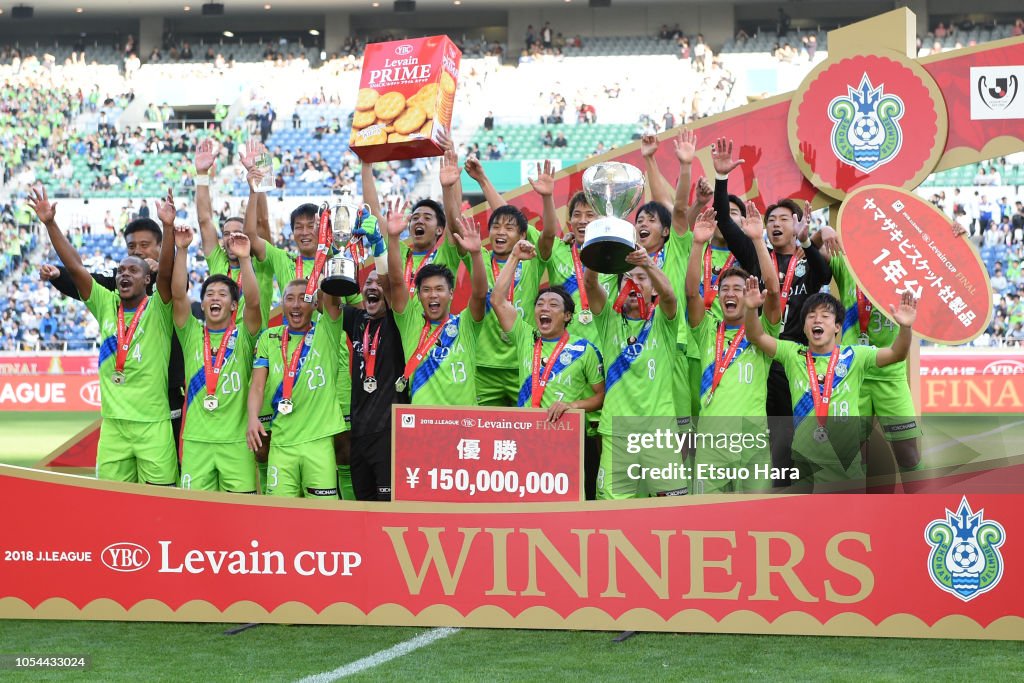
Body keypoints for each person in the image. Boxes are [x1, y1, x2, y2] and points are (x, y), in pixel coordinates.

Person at [31, 185, 176, 485]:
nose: (124, 274)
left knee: (163, 505)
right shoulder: (106, 303)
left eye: (133, 271)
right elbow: (75, 267)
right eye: (121, 269)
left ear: (148, 278)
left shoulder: (160, 309)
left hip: (153, 426)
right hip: (113, 428)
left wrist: (168, 226)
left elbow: (169, 274)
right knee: (112, 505)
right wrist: (50, 224)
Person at [711, 138, 832, 485]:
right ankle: (765, 488)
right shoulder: (754, 255)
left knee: (799, 426)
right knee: (763, 425)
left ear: (797, 225)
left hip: (797, 353)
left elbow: (824, 276)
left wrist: (811, 241)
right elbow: (724, 219)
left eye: (784, 219)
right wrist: (722, 180)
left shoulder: (808, 259)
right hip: (760, 350)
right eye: (771, 220)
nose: (776, 224)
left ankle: (795, 488)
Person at [744, 285, 919, 491]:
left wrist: (905, 328)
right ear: (804, 327)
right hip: (804, 462)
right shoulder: (792, 354)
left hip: (842, 464)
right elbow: (757, 336)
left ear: (837, 327)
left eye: (825, 316)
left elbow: (896, 354)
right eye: (811, 316)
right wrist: (750, 309)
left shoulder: (856, 356)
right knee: (807, 522)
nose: (817, 320)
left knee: (844, 522)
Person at [491, 240, 606, 498]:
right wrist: (514, 257)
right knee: (529, 505)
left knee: (574, 507)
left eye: (553, 305)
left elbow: (601, 396)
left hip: (570, 440)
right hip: (527, 437)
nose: (544, 308)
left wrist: (572, 406)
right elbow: (497, 300)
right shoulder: (525, 337)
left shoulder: (584, 349)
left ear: (567, 316)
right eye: (540, 304)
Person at [685, 207, 781, 493]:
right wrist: (698, 244)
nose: (729, 293)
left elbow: (774, 292)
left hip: (752, 442)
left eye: (738, 288)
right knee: (707, 520)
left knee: (755, 519)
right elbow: (691, 293)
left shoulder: (762, 331)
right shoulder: (706, 330)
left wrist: (757, 241)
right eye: (724, 288)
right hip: (711, 443)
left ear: (750, 294)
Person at [443, 151, 546, 406]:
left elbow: (511, 215)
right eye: (496, 227)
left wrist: (482, 180)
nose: (501, 232)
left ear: (523, 234)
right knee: (482, 433)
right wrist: (448, 189)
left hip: (523, 361)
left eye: (509, 229)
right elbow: (456, 225)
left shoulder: (531, 258)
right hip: (483, 365)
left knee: (527, 434)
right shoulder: (479, 257)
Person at [584, 244, 683, 499]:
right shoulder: (608, 320)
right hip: (617, 432)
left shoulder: (664, 320)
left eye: (641, 278)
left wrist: (648, 263)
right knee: (611, 511)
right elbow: (591, 286)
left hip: (659, 434)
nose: (634, 283)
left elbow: (670, 296)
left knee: (673, 510)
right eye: (627, 278)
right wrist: (598, 252)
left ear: (652, 289)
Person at [171, 222, 262, 493]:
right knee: (193, 517)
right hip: (197, 443)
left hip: (236, 444)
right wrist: (182, 250)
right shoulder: (191, 333)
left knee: (241, 517)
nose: (215, 297)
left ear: (233, 305)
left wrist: (245, 258)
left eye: (223, 294)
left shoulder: (244, 336)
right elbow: (177, 295)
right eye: (209, 293)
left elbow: (255, 303)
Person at [247, 277, 345, 501]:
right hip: (282, 444)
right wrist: (253, 418)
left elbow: (331, 298)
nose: (296, 305)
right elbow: (258, 385)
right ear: (282, 304)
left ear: (314, 304)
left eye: (303, 299)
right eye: (289, 299)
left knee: (324, 519)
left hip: (318, 445)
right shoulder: (269, 338)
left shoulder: (327, 331)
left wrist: (325, 252)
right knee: (279, 519)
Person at [385, 210, 488, 406]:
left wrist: (475, 254)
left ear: (451, 293)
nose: (433, 295)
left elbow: (480, 294)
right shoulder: (410, 322)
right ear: (418, 294)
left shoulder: (466, 324)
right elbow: (397, 282)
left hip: (463, 423)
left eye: (439, 289)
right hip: (424, 425)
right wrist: (393, 238)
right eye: (426, 290)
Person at [194, 138, 275, 328]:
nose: (231, 239)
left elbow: (262, 221)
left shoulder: (261, 263)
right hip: (218, 346)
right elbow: (204, 220)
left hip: (254, 350)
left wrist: (257, 176)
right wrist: (202, 174)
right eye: (226, 234)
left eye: (238, 234)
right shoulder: (218, 260)